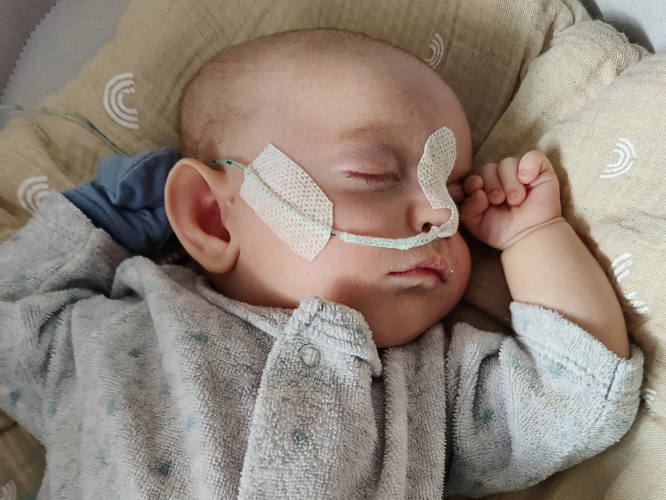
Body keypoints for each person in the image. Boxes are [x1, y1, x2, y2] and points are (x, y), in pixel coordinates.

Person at [0, 28, 642, 499]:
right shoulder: (119, 333)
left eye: (452, 189)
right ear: (211, 217)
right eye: (376, 175)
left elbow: (574, 396)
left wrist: (533, 236)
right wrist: (100, 218)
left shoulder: (427, 391)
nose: (439, 215)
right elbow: (11, 321)